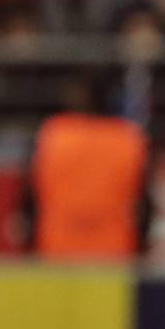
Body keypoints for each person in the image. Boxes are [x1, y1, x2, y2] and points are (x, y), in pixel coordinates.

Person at [20, 78, 150, 260]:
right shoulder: (129, 138)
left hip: (56, 248)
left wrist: (28, 245)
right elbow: (144, 203)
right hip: (113, 251)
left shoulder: (52, 134)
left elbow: (29, 197)